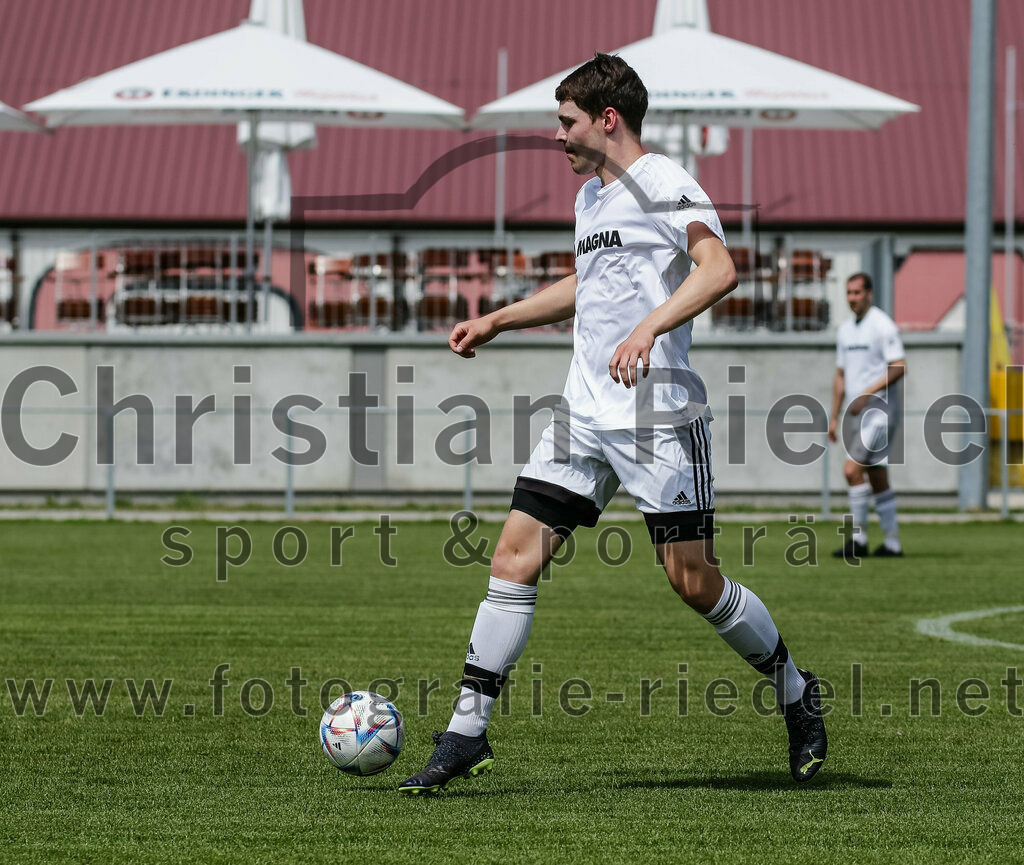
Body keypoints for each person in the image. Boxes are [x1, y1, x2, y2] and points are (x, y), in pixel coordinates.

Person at [398, 53, 827, 795]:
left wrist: (649, 329)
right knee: (513, 556)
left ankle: (794, 686)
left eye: (565, 122)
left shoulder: (664, 182)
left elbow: (718, 267)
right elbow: (586, 282)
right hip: (584, 413)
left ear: (607, 118)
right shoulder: (590, 201)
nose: (556, 136)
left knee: (692, 581)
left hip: (658, 415)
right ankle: (467, 729)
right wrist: (499, 317)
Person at [829, 272, 907, 558]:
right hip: (856, 416)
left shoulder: (882, 325)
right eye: (848, 293)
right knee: (877, 476)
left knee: (851, 470)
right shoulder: (845, 330)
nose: (852, 298)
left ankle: (858, 541)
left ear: (869, 294)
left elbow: (899, 367)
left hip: (879, 415)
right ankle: (893, 544)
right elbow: (840, 375)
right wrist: (835, 416)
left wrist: (867, 393)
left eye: (857, 293)